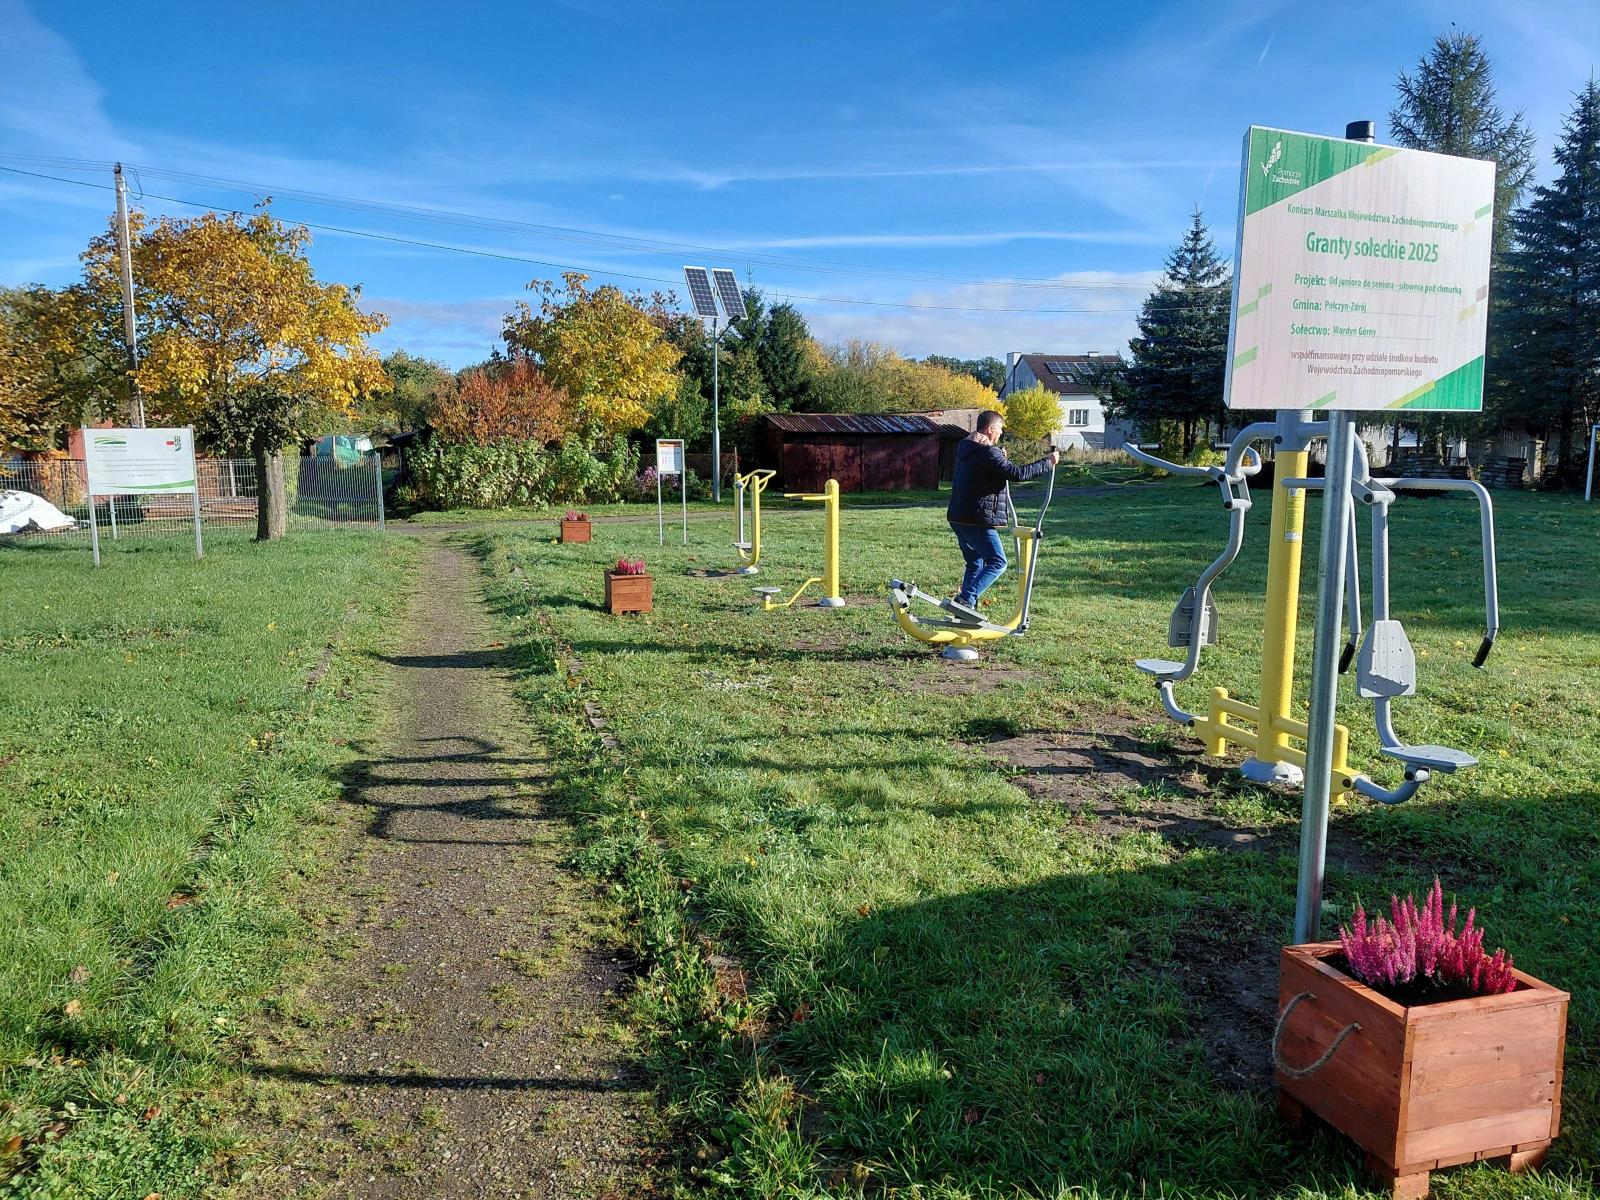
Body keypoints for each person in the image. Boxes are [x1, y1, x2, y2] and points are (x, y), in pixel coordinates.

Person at [944, 409, 1059, 614]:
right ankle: (966, 599)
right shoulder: (988, 453)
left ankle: (967, 609)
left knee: (975, 562)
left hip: (958, 516)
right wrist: (1048, 462)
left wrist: (999, 457)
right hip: (976, 519)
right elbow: (1018, 473)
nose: (1000, 434)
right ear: (990, 429)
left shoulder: (966, 447)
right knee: (998, 562)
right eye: (999, 429)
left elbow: (987, 469)